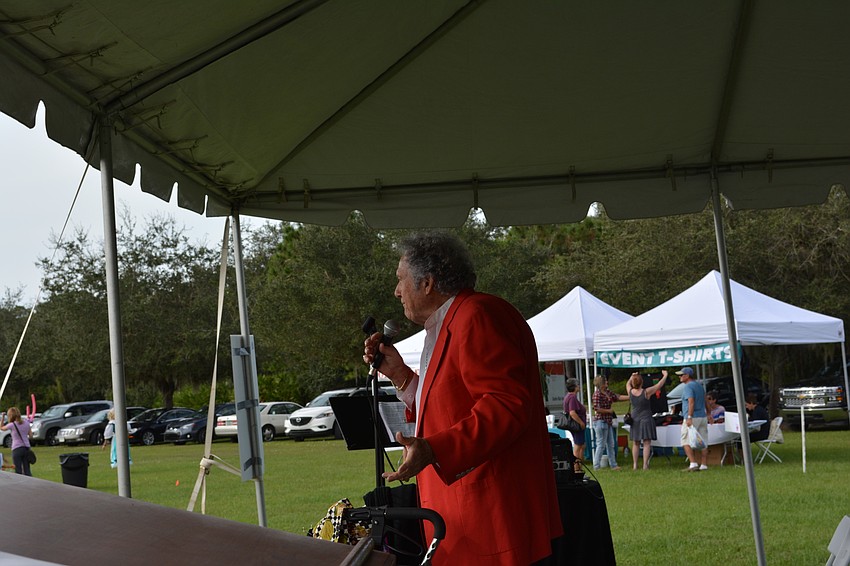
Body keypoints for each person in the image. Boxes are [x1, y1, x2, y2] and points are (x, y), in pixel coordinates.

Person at [363, 231, 562, 565]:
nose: (397, 291)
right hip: (465, 517)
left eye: (400, 279)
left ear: (427, 283)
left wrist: (435, 449)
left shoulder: (477, 315)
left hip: (489, 518)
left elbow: (506, 406)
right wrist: (400, 376)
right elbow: (449, 407)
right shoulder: (451, 322)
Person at [626, 370, 668, 470]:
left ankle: (635, 465)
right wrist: (665, 375)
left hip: (635, 419)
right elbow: (659, 385)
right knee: (646, 443)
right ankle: (645, 464)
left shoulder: (630, 392)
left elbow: (627, 384)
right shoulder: (646, 392)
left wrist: (631, 376)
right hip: (646, 418)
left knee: (636, 442)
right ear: (642, 382)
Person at [591, 374, 627, 470]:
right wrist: (609, 411)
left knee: (611, 444)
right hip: (600, 421)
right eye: (605, 381)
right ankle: (596, 466)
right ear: (601, 384)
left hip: (608, 421)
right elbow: (597, 409)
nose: (607, 382)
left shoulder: (607, 392)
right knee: (601, 444)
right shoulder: (597, 395)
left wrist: (630, 397)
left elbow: (617, 397)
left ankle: (613, 465)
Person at [677, 367, 709, 471]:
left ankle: (693, 463)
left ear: (687, 376)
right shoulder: (699, 385)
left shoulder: (688, 387)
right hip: (702, 416)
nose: (679, 377)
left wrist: (689, 417)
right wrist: (709, 413)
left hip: (692, 417)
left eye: (681, 375)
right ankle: (704, 464)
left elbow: (691, 402)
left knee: (685, 440)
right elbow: (705, 400)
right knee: (703, 441)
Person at [0, 406, 33, 476]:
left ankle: (20, 482)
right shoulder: (26, 423)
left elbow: (1, 428)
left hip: (17, 448)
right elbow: (31, 435)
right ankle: (29, 481)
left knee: (18, 470)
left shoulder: (12, 425)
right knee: (27, 469)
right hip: (26, 448)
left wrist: (2, 417)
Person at [564, 378, 587, 469]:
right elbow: (572, 412)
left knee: (581, 445)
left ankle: (579, 466)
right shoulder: (572, 397)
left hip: (575, 425)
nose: (579, 386)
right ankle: (576, 468)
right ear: (574, 387)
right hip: (577, 426)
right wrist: (581, 422)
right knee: (578, 446)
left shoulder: (568, 397)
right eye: (577, 385)